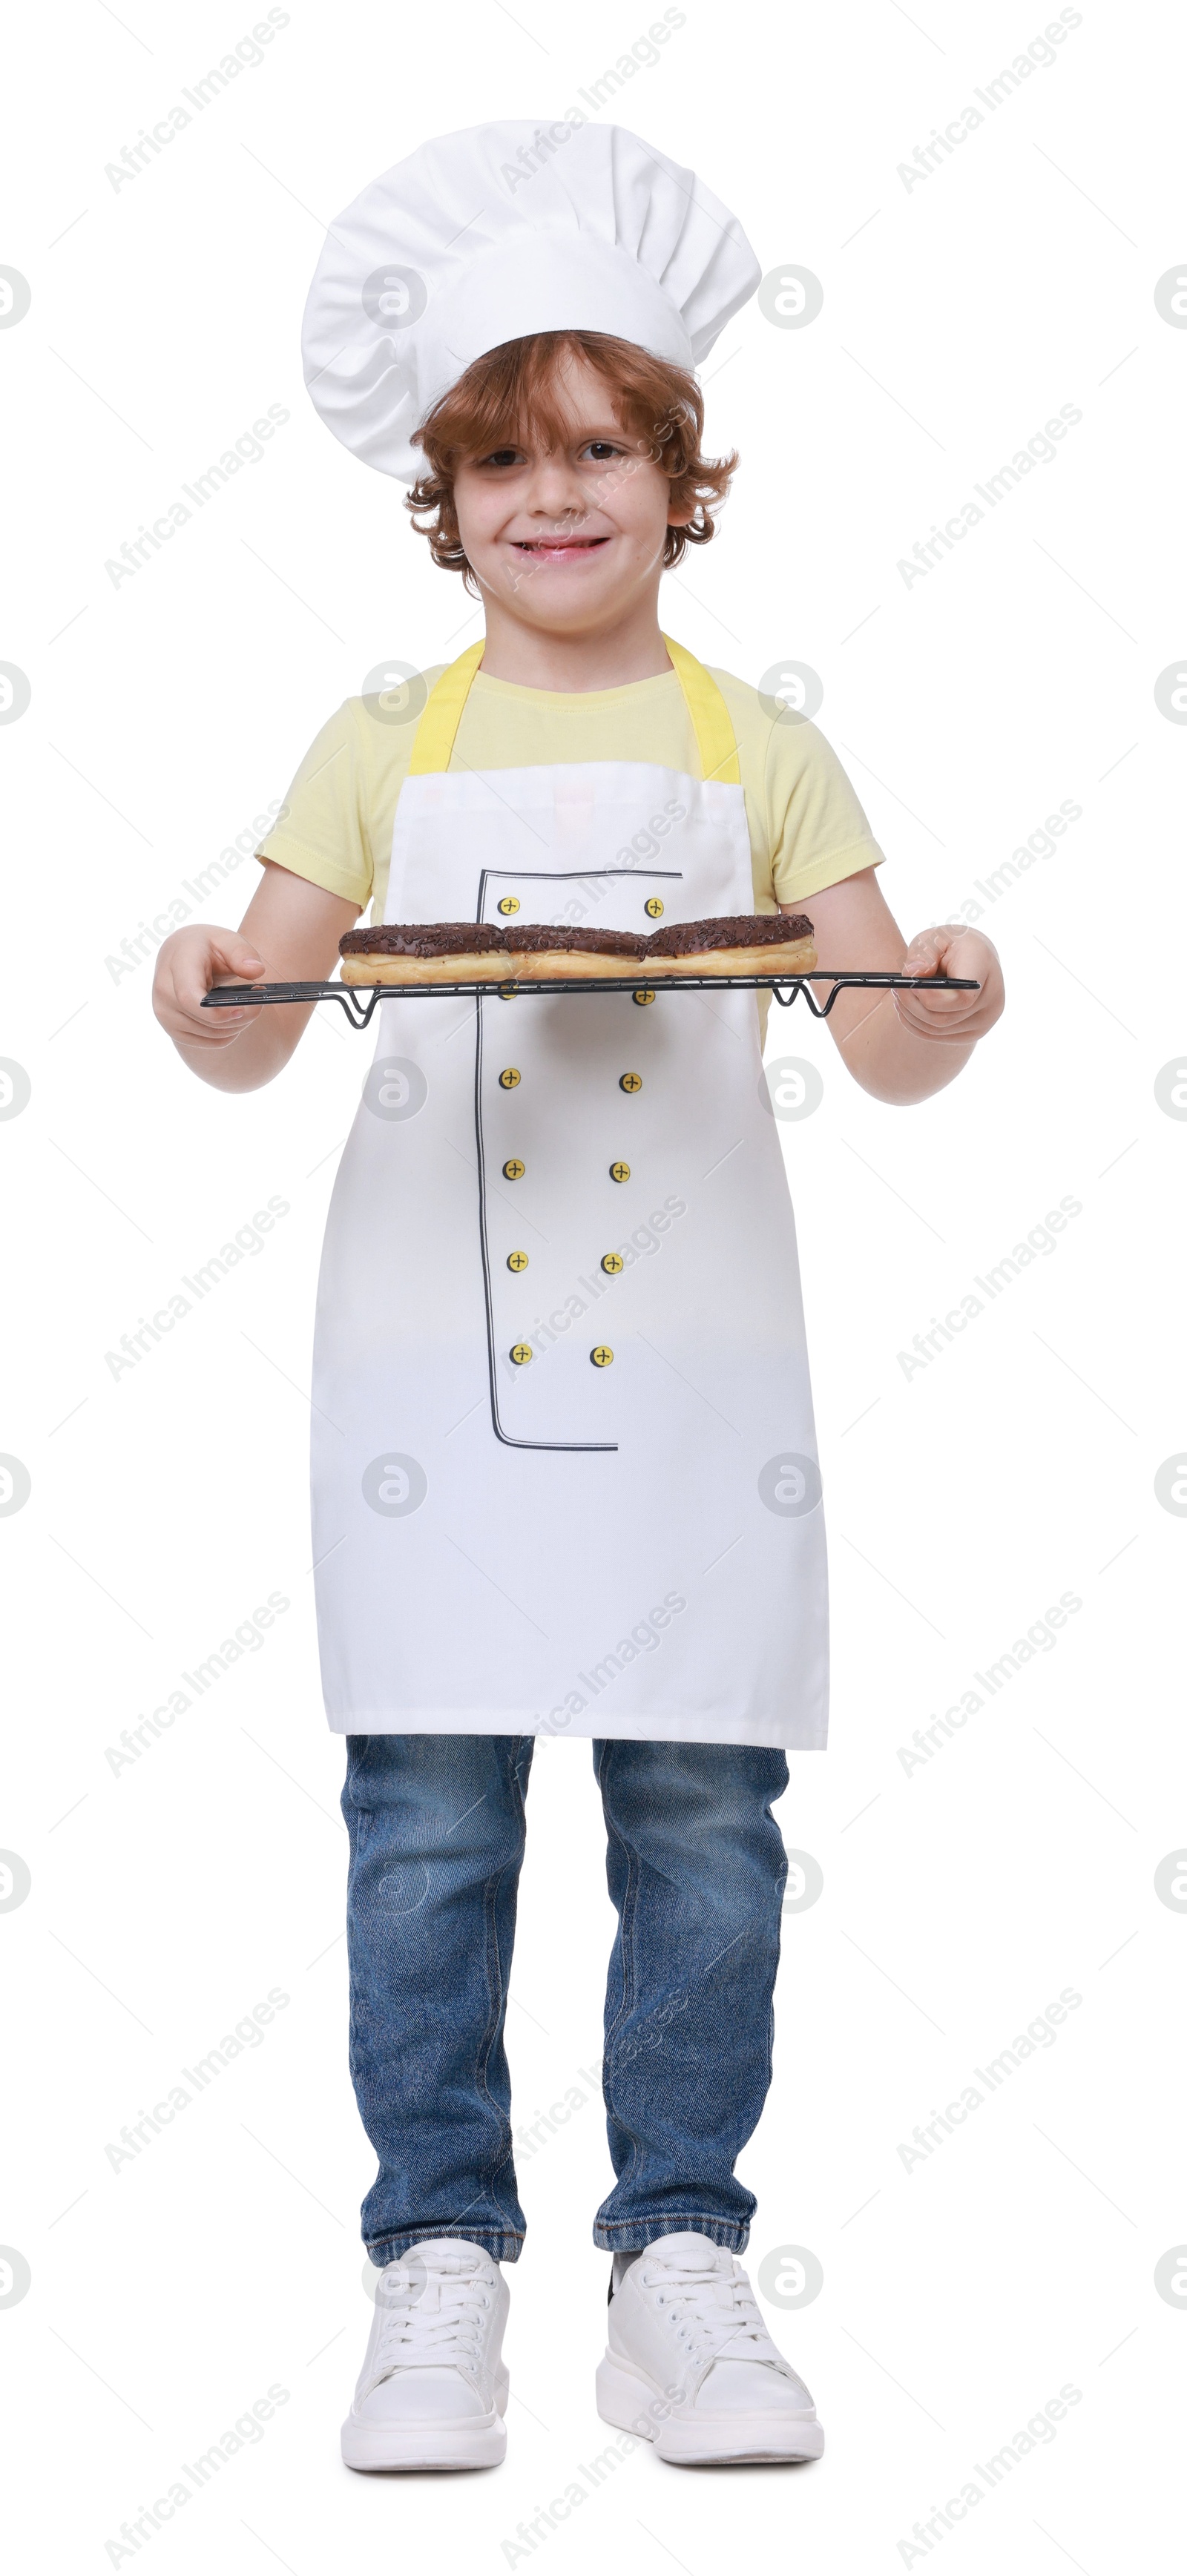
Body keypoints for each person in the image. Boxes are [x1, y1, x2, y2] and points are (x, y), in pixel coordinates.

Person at [153, 120, 1004, 2474]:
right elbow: (243, 1030)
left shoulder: (762, 744)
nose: (559, 494)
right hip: (432, 1375)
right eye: (509, 457)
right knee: (425, 1813)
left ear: (680, 474)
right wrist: (188, 982)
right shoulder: (383, 742)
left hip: (692, 1405)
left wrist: (950, 988)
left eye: (604, 446)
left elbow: (892, 1045)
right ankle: (438, 2255)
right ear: (446, 494)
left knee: (703, 1819)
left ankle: (677, 2261)